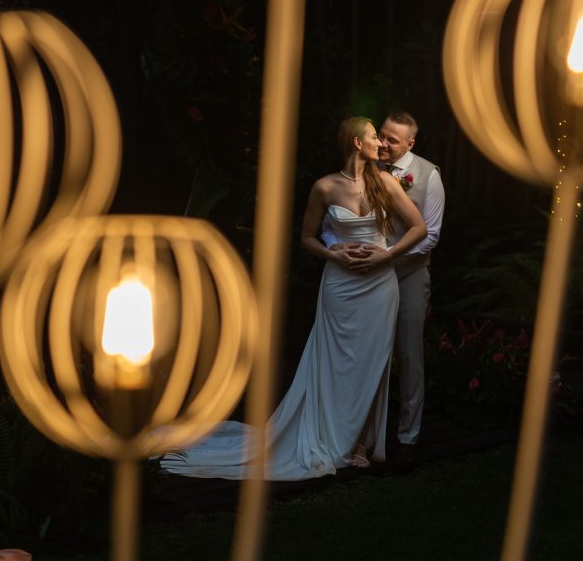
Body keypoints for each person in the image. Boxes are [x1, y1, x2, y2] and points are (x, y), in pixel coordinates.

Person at [159, 117, 426, 480]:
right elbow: (307, 238)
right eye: (373, 136)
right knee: (334, 362)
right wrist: (335, 254)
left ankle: (361, 442)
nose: (380, 141)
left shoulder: (386, 183)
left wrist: (387, 255)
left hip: (379, 287)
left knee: (372, 362)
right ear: (355, 143)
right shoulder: (324, 187)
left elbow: (419, 228)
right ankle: (329, 433)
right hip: (341, 286)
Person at [324, 111, 444, 465]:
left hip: (406, 275)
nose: (386, 144)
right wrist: (336, 246)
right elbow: (335, 222)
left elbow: (430, 234)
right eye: (384, 136)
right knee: (364, 352)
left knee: (408, 355)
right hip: (364, 278)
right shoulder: (364, 171)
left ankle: (408, 436)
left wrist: (389, 257)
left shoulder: (428, 175)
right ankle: (358, 434)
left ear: (411, 143)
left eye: (394, 140)